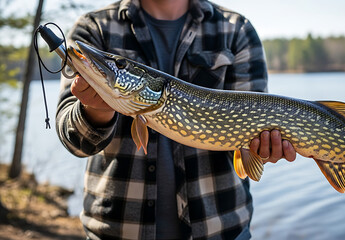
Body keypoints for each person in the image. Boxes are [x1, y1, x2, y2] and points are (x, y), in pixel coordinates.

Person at [56, 0, 296, 239]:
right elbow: (75, 142)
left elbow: (252, 130)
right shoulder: (94, 27)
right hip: (116, 231)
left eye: (120, 64)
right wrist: (96, 110)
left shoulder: (236, 30)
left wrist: (260, 148)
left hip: (221, 231)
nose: (114, 67)